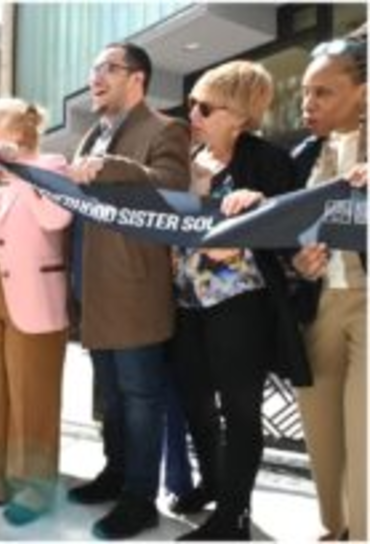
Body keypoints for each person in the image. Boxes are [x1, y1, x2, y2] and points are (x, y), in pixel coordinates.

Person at [170, 60, 309, 541]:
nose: (194, 114)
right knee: (193, 399)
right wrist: (197, 186)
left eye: (205, 108)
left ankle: (233, 517)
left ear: (239, 116)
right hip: (188, 301)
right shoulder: (192, 158)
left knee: (240, 410)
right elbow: (177, 226)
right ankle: (213, 483)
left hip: (241, 305)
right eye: (193, 104)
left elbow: (292, 233)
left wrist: (256, 211)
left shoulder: (269, 161)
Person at [66, 42, 190, 540]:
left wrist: (113, 166)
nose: (95, 77)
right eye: (93, 69)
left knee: (141, 400)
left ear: (137, 78)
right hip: (94, 292)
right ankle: (115, 475)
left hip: (136, 292)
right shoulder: (91, 134)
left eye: (108, 69)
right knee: (112, 401)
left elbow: (173, 188)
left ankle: (140, 500)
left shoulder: (165, 129)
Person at [0, 97, 72, 525]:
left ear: (19, 129)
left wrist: (18, 169)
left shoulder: (52, 165)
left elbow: (56, 218)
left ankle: (35, 491)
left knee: (32, 396)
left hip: (32, 293)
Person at [289, 32, 367, 541]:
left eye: (323, 92)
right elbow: (284, 235)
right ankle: (334, 530)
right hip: (317, 308)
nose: (308, 104)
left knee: (365, 439)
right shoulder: (300, 157)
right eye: (304, 93)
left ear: (363, 92)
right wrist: (299, 261)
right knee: (323, 439)